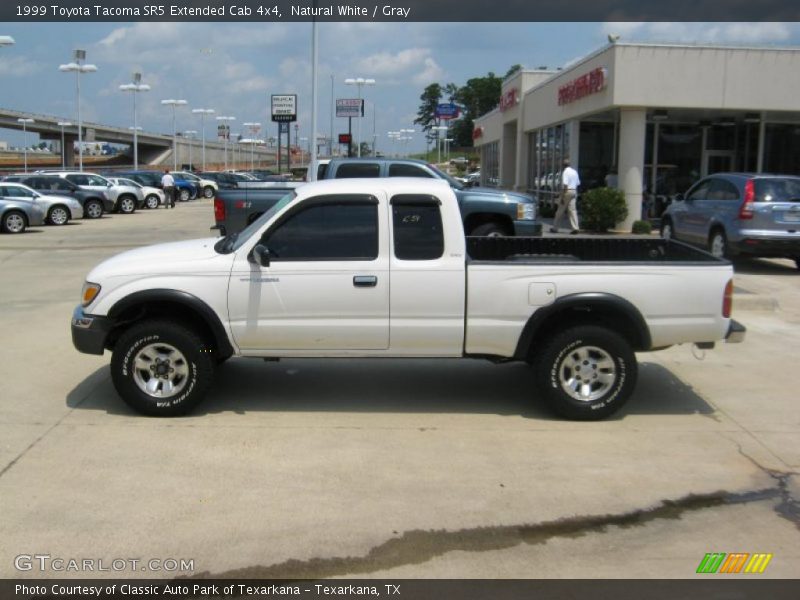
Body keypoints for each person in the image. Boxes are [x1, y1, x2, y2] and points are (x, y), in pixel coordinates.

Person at [551, 158, 580, 234]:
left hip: (567, 191)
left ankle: (555, 228)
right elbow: (578, 183)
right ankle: (575, 228)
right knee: (572, 210)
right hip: (574, 191)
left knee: (560, 211)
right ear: (569, 164)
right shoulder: (574, 172)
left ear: (563, 165)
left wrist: (562, 196)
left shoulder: (565, 172)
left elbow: (565, 185)